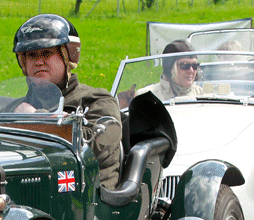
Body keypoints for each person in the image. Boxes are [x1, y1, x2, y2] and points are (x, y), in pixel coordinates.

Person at [12, 14, 122, 190]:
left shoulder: (96, 101)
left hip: (87, 199)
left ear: (67, 57)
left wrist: (35, 118)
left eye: (47, 53)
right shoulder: (15, 108)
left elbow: (95, 150)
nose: (39, 61)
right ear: (24, 63)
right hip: (31, 192)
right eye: (32, 55)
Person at [137, 40, 204, 101]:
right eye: (185, 66)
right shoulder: (145, 97)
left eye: (195, 66)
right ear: (170, 69)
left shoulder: (202, 94)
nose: (191, 70)